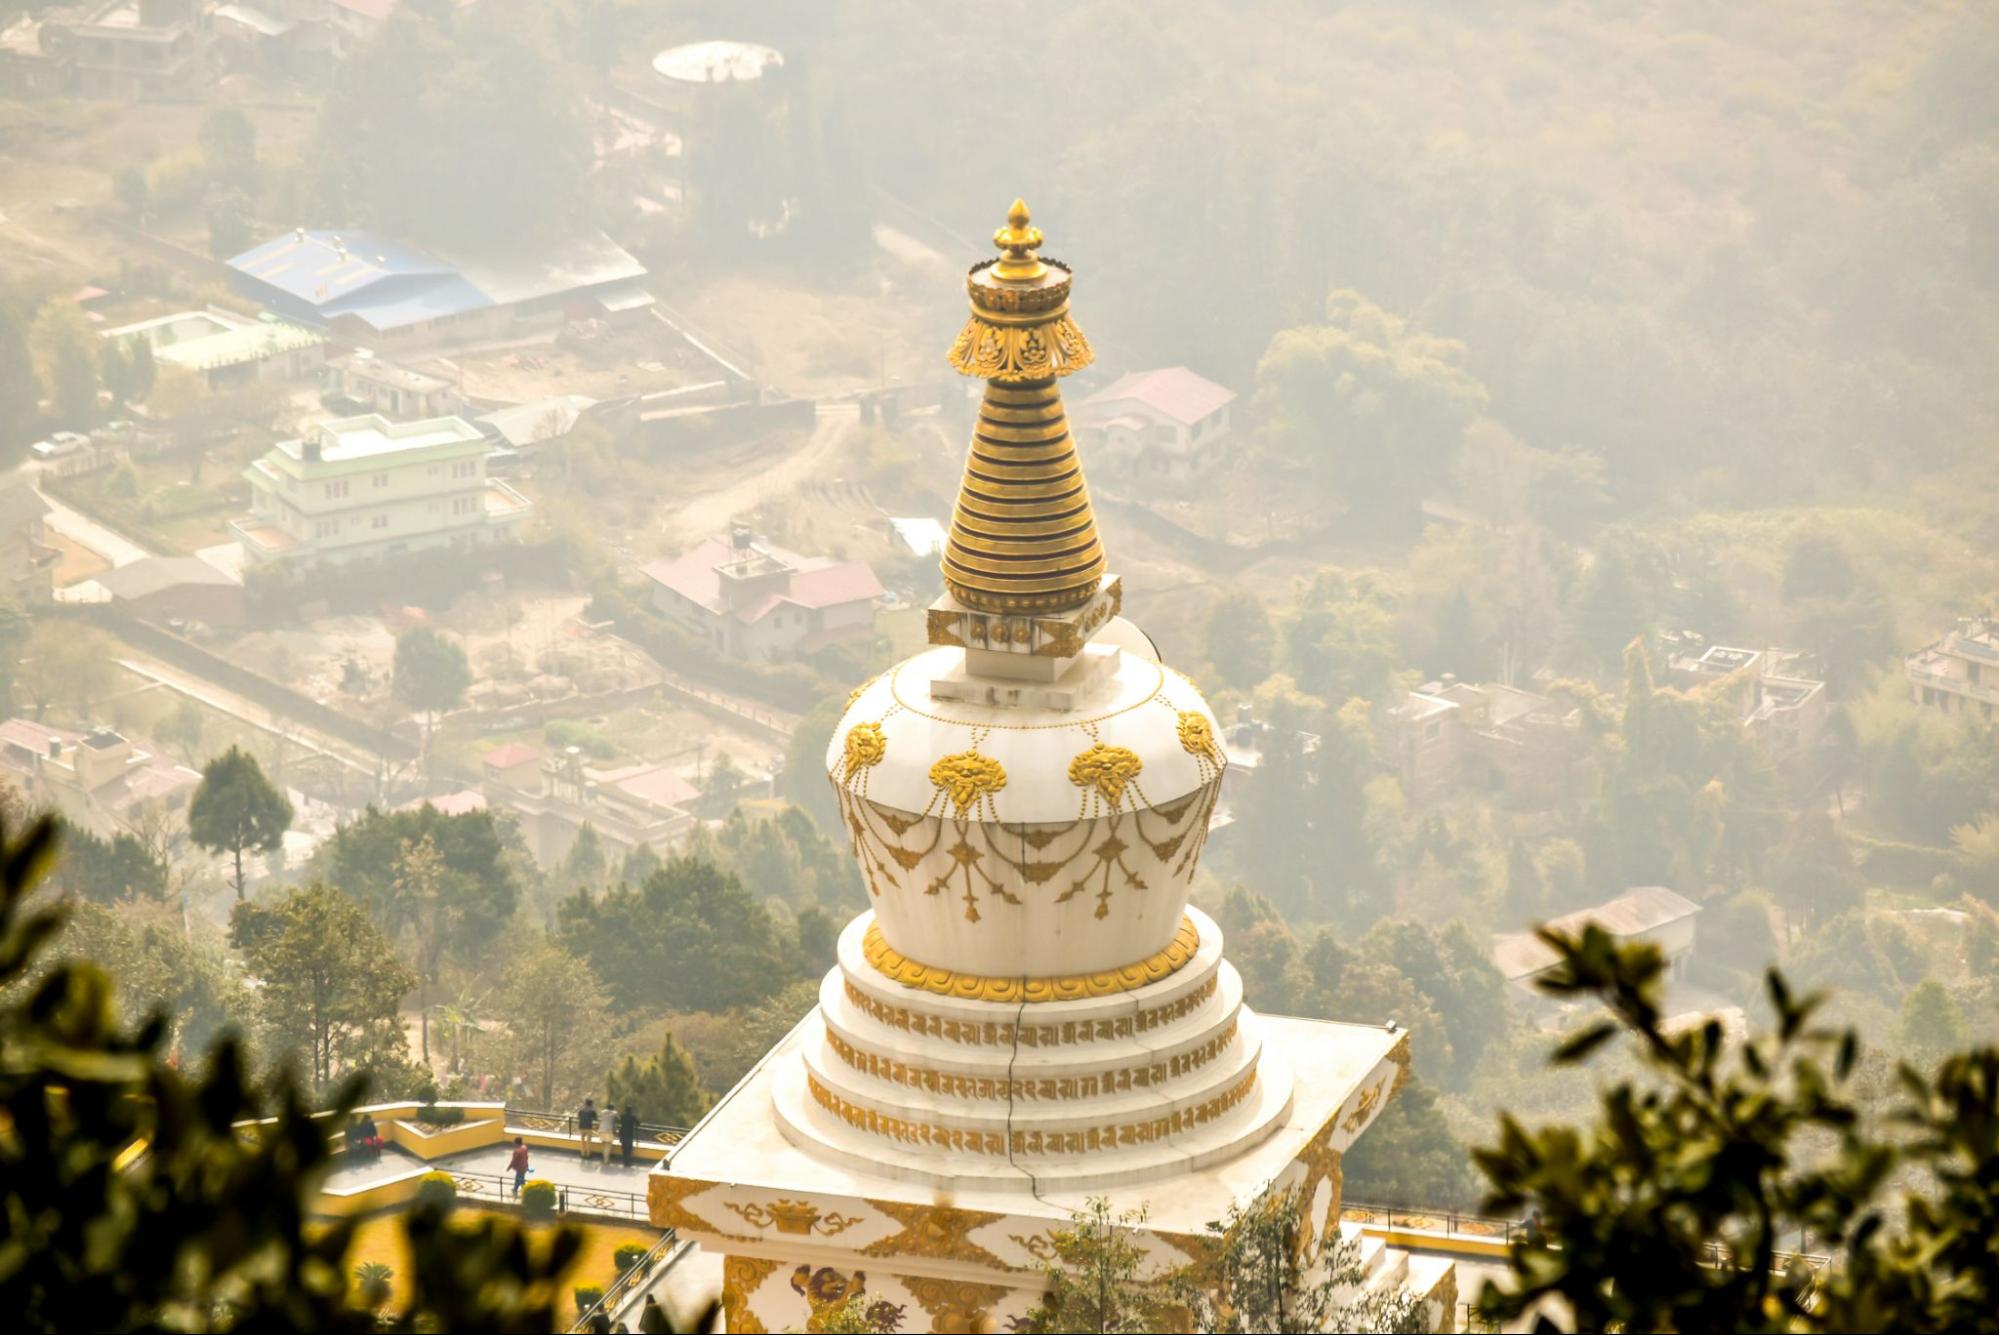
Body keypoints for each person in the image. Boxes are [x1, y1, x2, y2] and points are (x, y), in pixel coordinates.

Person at [578, 1097, 600, 1164]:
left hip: (581, 1126)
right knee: (588, 1141)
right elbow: (596, 1119)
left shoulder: (581, 1110)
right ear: (591, 1104)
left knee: (582, 1141)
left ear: (585, 1103)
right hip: (588, 1127)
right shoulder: (592, 1110)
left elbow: (578, 1117)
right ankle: (588, 1155)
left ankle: (582, 1154)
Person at [619, 1101, 638, 1168]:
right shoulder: (633, 1116)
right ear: (631, 1110)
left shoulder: (622, 1116)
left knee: (624, 1148)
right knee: (629, 1148)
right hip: (630, 1134)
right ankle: (628, 1162)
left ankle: (624, 1162)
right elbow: (638, 1123)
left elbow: (620, 1122)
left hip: (623, 1133)